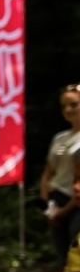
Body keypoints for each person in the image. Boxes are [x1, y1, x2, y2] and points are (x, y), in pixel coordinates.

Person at [39, 85, 80, 259]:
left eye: (73, 104)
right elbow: (49, 171)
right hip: (56, 200)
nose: (68, 110)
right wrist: (47, 201)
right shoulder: (59, 138)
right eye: (63, 106)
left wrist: (63, 211)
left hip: (76, 203)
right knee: (63, 256)